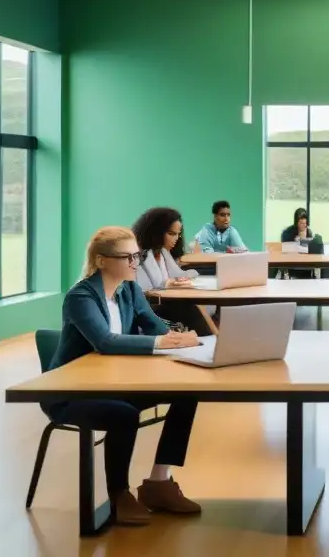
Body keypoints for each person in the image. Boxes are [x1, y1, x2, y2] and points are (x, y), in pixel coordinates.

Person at [44, 226, 202, 526]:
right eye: (128, 257)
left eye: (137, 256)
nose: (135, 263)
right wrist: (161, 343)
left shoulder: (129, 289)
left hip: (115, 383)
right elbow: (104, 342)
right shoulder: (81, 296)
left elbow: (152, 324)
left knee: (186, 393)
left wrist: (178, 338)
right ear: (102, 261)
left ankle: (159, 482)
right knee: (123, 415)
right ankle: (119, 495)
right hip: (71, 392)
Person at [132, 207, 214, 335]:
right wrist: (166, 284)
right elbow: (140, 293)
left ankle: (215, 341)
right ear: (156, 232)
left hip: (166, 306)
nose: (176, 238)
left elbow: (179, 275)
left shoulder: (164, 253)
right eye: (171, 233)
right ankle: (212, 341)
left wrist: (189, 274)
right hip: (151, 312)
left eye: (178, 234)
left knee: (207, 306)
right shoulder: (139, 258)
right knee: (190, 309)